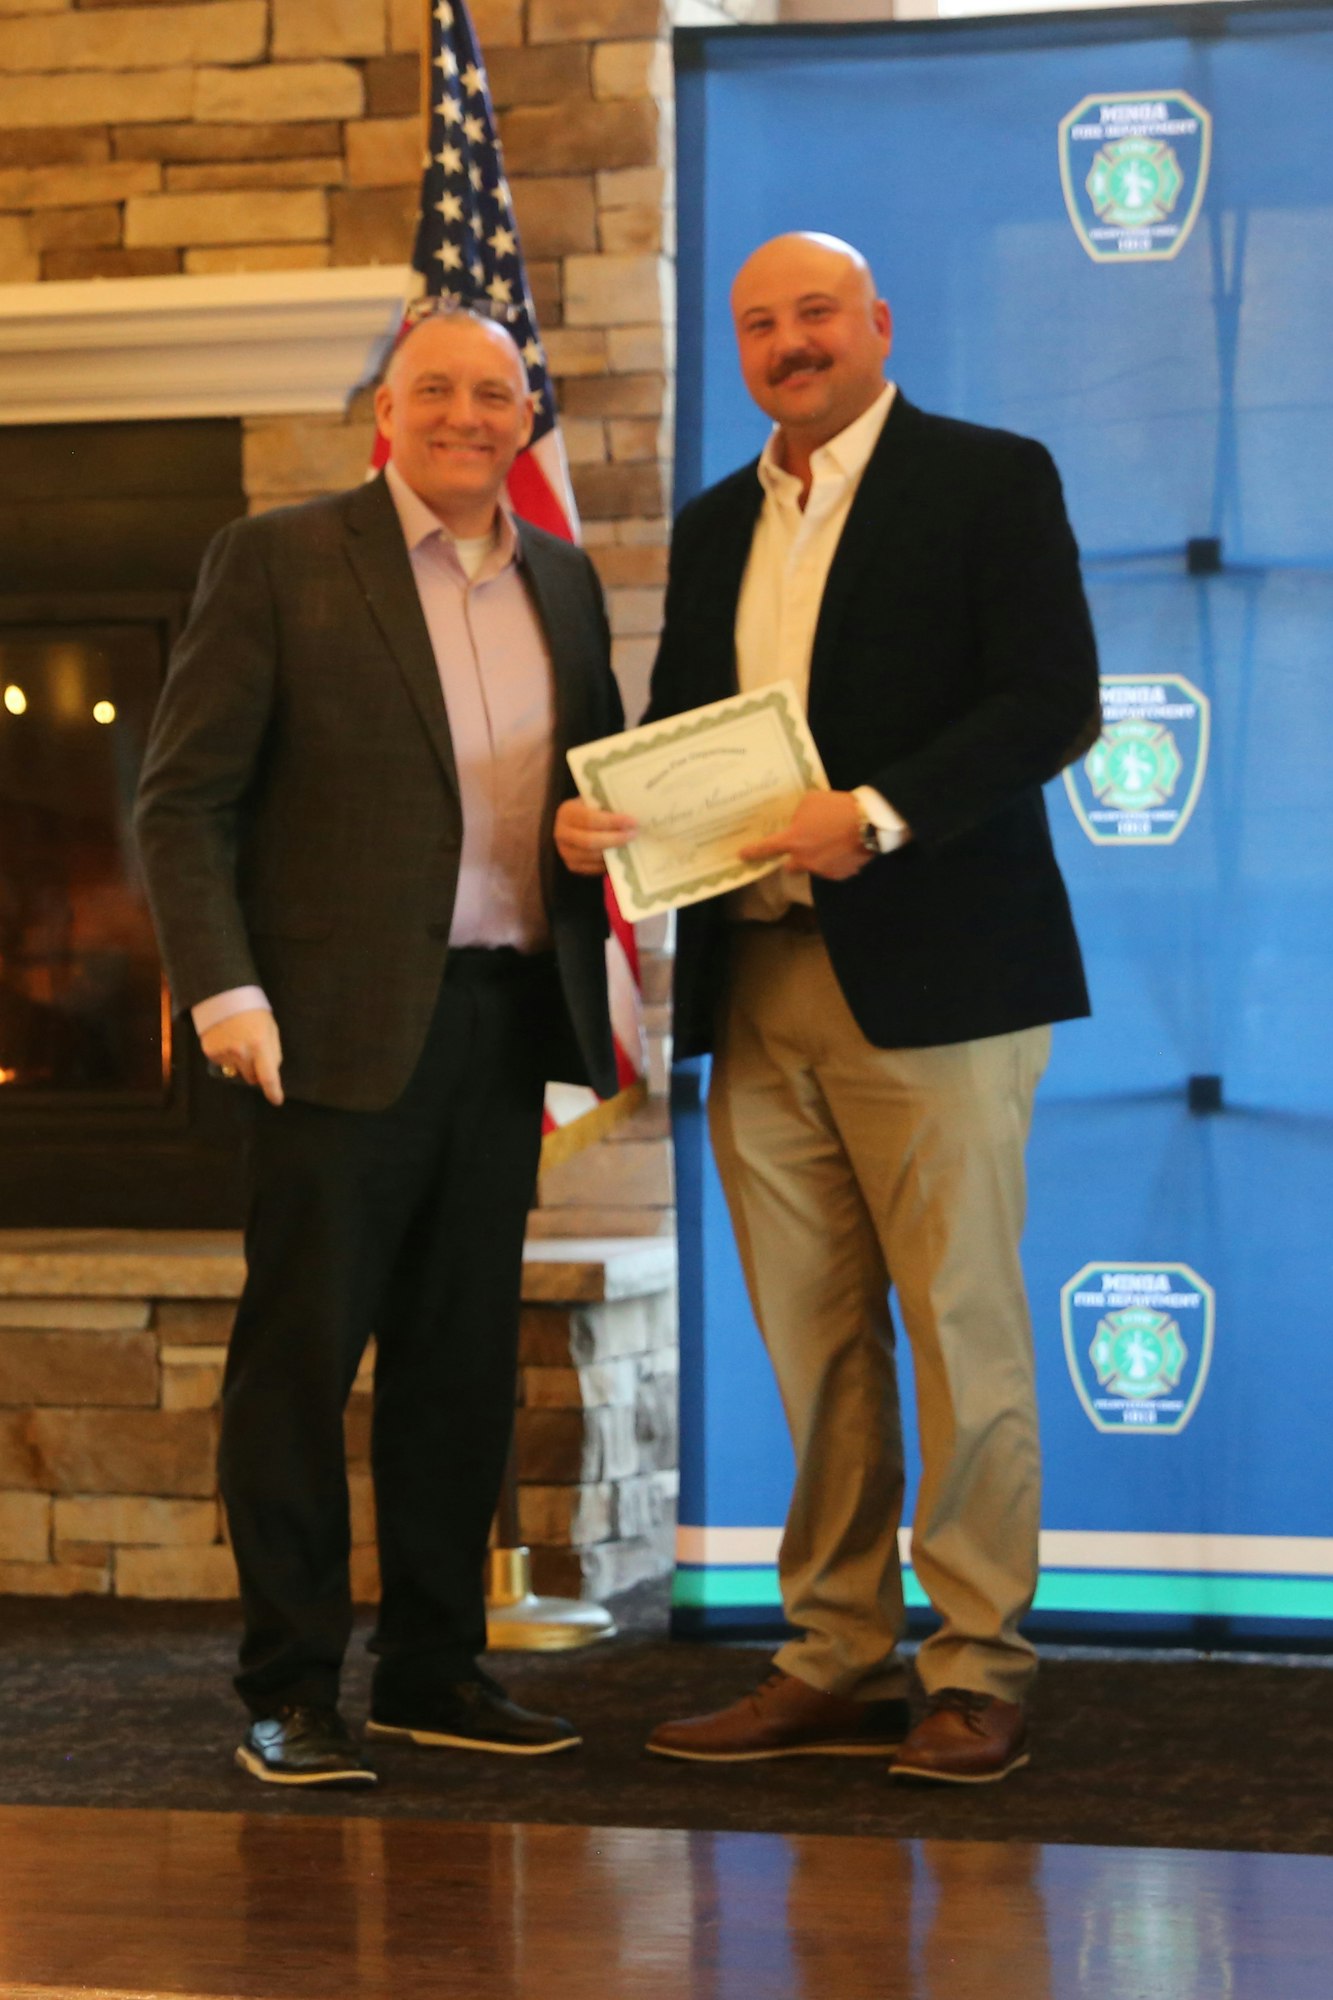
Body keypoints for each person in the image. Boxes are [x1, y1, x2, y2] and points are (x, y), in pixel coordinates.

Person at [556, 233, 1099, 1784]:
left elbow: (1053, 699)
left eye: (812, 315)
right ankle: (834, 1656)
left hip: (936, 976)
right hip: (759, 976)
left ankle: (977, 1663)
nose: (786, 343)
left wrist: (871, 812)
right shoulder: (724, 517)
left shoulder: (990, 477)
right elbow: (680, 730)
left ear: (875, 319)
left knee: (960, 1330)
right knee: (814, 1345)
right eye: (757, 325)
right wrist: (614, 813)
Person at [137, 301, 623, 1787]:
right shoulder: (281, 559)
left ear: (524, 417)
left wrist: (595, 832)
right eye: (437, 390)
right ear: (386, 409)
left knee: (459, 1370)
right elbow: (181, 801)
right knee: (298, 1372)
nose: (468, 414)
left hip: (500, 1025)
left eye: (495, 391)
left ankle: (430, 1668)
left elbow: (586, 781)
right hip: (322, 1042)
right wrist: (225, 994)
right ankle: (288, 1688)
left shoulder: (563, 577)